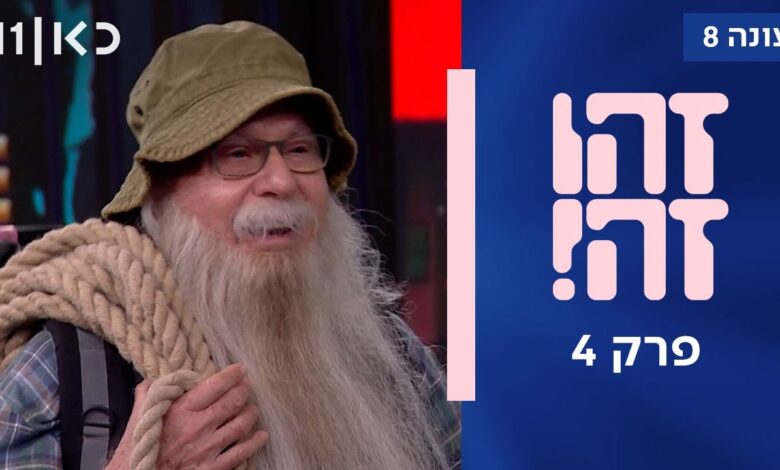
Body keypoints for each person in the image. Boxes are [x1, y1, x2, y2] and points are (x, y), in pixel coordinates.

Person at [0, 21, 460, 469]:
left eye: (299, 150)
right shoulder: (65, 374)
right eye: (238, 155)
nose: (282, 181)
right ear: (161, 194)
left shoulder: (395, 359)